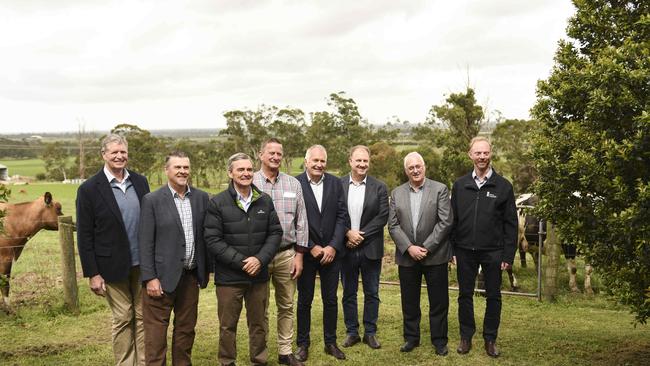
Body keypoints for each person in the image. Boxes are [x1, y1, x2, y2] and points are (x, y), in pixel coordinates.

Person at [76, 133, 150, 365]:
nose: (119, 156)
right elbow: (85, 235)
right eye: (114, 152)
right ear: (104, 155)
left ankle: (145, 362)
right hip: (111, 266)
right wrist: (93, 274)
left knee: (142, 315)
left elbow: (150, 221)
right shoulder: (89, 189)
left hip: (142, 263)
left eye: (123, 152)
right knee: (123, 316)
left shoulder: (140, 181)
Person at [204, 152, 282, 366]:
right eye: (240, 169)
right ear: (230, 173)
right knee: (227, 326)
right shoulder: (217, 203)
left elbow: (275, 233)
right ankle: (227, 362)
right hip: (229, 278)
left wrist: (260, 259)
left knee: (258, 324)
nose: (246, 173)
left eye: (249, 169)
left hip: (259, 276)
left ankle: (259, 361)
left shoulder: (264, 200)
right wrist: (242, 262)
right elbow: (213, 240)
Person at [138, 151, 210, 366]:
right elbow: (145, 241)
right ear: (166, 170)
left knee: (186, 331)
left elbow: (205, 236)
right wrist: (150, 277)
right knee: (155, 336)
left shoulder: (201, 198)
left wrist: (204, 271)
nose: (182, 171)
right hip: (160, 280)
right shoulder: (152, 200)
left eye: (186, 167)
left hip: (190, 277)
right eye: (177, 167)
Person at [451, 136, 518, 358]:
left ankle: (490, 339)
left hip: (493, 252)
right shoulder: (460, 185)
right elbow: (454, 221)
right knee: (465, 295)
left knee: (494, 296)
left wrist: (508, 254)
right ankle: (465, 337)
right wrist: (452, 250)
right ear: (470, 155)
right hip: (464, 251)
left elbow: (511, 224)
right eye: (477, 153)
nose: (482, 157)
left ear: (491, 154)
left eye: (485, 153)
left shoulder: (503, 186)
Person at [388, 152, 453, 356]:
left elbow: (445, 222)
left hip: (435, 255)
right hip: (407, 257)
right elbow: (393, 225)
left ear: (424, 167)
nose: (415, 170)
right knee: (409, 301)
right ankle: (411, 338)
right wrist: (409, 248)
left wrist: (425, 247)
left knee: (439, 301)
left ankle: (439, 340)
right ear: (406, 171)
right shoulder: (396, 193)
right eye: (410, 168)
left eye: (418, 166)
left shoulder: (440, 189)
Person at [253, 138, 308, 366]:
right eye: (271, 153)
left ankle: (285, 351)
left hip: (287, 254)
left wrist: (299, 255)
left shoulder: (293, 184)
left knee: (286, 305)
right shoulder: (251, 181)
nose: (275, 157)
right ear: (261, 155)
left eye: (279, 153)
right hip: (260, 256)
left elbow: (302, 221)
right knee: (260, 307)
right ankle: (260, 353)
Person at [295, 145, 348, 361]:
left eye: (322, 161)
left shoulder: (336, 183)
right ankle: (302, 344)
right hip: (306, 253)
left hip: (331, 254)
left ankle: (330, 342)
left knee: (331, 299)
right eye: (315, 160)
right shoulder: (295, 183)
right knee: (304, 300)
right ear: (306, 162)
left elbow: (342, 216)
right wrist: (310, 245)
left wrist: (333, 246)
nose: (319, 164)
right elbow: (293, 219)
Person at [339, 145, 389, 350]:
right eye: (358, 160)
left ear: (369, 163)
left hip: (370, 247)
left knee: (372, 292)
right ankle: (352, 332)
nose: (361, 164)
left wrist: (360, 235)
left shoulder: (379, 187)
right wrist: (347, 233)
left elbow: (382, 216)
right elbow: (334, 213)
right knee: (348, 292)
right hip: (346, 247)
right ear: (350, 161)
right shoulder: (338, 184)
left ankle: (370, 332)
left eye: (365, 161)